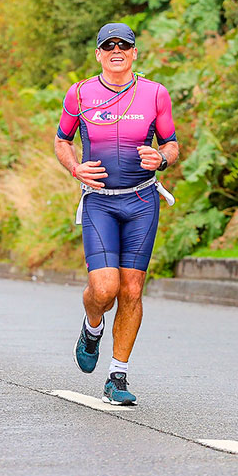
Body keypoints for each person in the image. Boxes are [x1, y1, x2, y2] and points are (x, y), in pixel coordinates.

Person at [54, 22, 179, 405]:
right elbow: (62, 141)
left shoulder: (155, 94)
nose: (116, 51)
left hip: (142, 201)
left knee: (133, 289)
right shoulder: (80, 94)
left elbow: (171, 145)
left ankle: (117, 377)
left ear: (135, 52)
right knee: (105, 289)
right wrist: (75, 168)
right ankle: (92, 327)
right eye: (108, 46)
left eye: (123, 45)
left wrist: (160, 158)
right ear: (98, 54)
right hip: (100, 201)